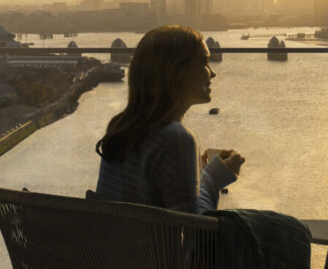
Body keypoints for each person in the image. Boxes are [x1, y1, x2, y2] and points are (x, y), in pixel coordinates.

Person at [95, 25, 245, 214]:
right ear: (176, 71)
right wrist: (214, 178)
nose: (212, 73)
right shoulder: (176, 138)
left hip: (117, 243)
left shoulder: (120, 127)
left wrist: (197, 172)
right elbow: (193, 231)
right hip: (153, 244)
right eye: (204, 62)